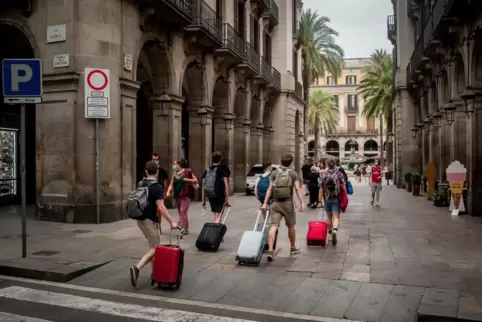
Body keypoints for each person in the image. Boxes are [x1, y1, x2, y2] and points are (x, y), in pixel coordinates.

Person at [129, 161, 178, 288]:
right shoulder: (157, 187)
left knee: (153, 246)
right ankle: (137, 268)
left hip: (140, 220)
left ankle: (155, 275)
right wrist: (171, 221)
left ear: (145, 171)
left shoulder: (141, 183)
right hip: (149, 221)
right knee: (156, 248)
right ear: (157, 172)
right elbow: (161, 207)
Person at [261, 153, 304, 261]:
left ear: (281, 161)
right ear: (291, 162)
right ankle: (293, 248)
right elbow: (298, 189)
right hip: (288, 204)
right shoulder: (293, 174)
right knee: (291, 226)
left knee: (273, 226)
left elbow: (269, 189)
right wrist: (302, 202)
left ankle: (270, 251)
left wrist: (265, 203)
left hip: (275, 203)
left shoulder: (274, 173)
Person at [166, 159, 198, 236]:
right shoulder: (175, 174)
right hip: (177, 196)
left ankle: (181, 228)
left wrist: (188, 179)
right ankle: (186, 228)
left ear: (179, 165)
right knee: (182, 212)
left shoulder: (187, 172)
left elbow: (196, 180)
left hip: (186, 195)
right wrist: (168, 191)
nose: (173, 166)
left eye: (175, 164)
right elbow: (171, 184)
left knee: (182, 211)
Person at [318, 158, 345, 246]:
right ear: (335, 164)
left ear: (327, 164)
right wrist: (345, 197)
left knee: (329, 217)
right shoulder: (339, 173)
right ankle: (335, 230)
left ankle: (329, 234)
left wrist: (319, 201)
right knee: (336, 217)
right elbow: (343, 186)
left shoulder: (323, 174)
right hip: (336, 197)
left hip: (327, 198)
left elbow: (321, 188)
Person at [202, 151, 231, 223]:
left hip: (210, 194)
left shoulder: (207, 169)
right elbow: (226, 183)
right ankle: (215, 231)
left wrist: (203, 200)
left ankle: (214, 228)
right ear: (220, 159)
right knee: (219, 215)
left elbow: (203, 185)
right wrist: (227, 196)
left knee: (215, 215)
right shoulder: (223, 169)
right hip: (219, 194)